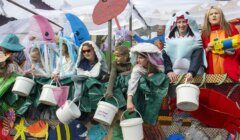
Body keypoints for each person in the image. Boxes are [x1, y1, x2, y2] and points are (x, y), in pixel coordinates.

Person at [162, 11, 206, 83]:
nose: (181, 25)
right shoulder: (169, 40)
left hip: (194, 77)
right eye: (179, 22)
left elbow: (197, 57)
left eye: (184, 22)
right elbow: (166, 56)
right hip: (175, 77)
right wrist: (169, 71)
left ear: (188, 23)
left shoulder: (196, 39)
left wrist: (191, 72)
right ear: (176, 23)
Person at [201, 6, 240, 82]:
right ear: (208, 18)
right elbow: (199, 54)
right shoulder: (204, 34)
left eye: (216, 13)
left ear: (221, 16)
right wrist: (208, 49)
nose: (214, 15)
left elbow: (238, 46)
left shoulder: (230, 28)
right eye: (211, 14)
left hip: (230, 72)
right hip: (212, 74)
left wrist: (232, 50)